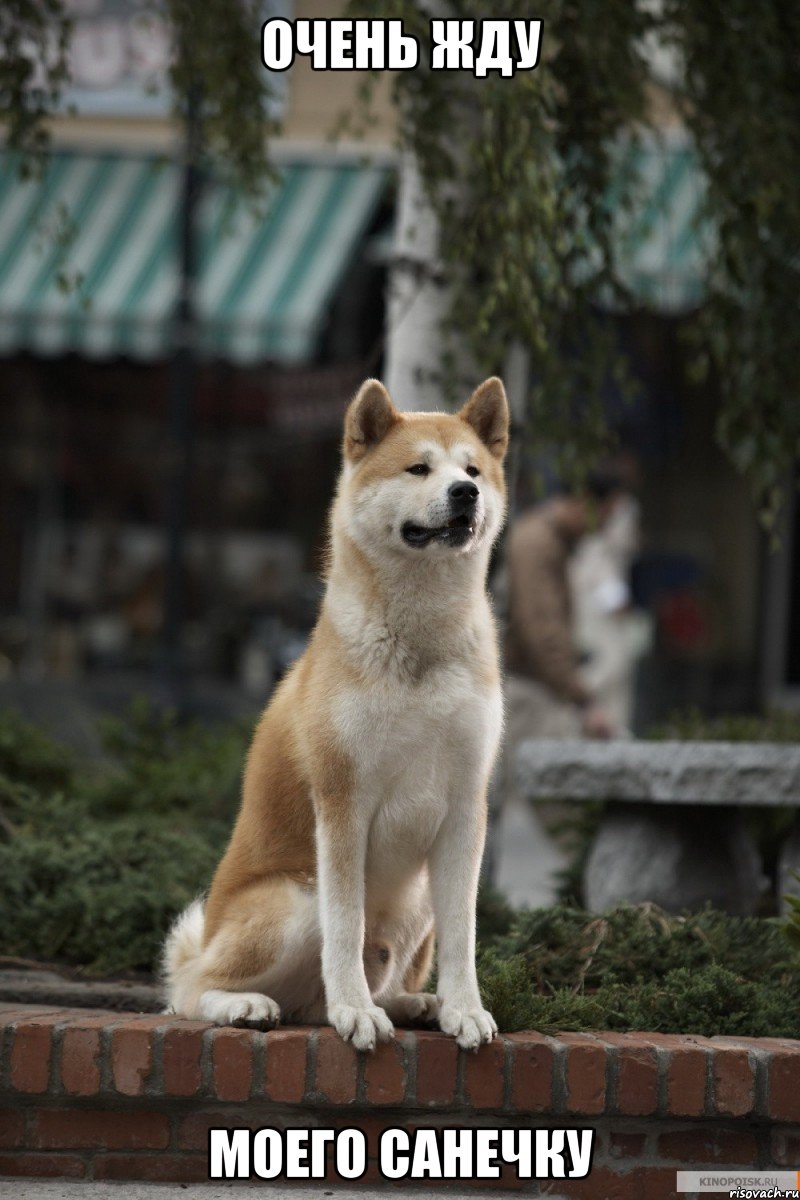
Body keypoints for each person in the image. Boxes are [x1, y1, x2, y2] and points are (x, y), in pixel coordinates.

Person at [504, 470, 627, 743]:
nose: (605, 527)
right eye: (606, 515)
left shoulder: (551, 541)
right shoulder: (538, 544)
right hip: (527, 691)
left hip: (537, 687)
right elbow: (542, 630)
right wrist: (583, 701)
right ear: (586, 502)